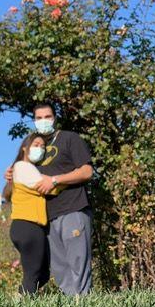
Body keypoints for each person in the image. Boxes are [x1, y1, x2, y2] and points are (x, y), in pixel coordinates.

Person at [5, 102, 94, 295]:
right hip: (47, 219)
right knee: (60, 269)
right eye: (39, 118)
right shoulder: (34, 150)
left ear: (54, 118)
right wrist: (12, 175)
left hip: (73, 208)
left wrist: (55, 180)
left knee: (78, 263)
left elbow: (87, 171)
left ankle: (84, 304)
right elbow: (22, 181)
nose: (43, 121)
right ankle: (72, 306)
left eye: (47, 117)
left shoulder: (69, 139)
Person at [2, 133, 56, 294]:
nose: (40, 149)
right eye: (36, 145)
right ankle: (22, 304)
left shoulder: (24, 169)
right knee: (33, 273)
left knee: (43, 274)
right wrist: (66, 180)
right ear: (25, 148)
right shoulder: (23, 166)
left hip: (30, 227)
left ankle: (21, 297)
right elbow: (46, 187)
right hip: (28, 225)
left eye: (43, 146)